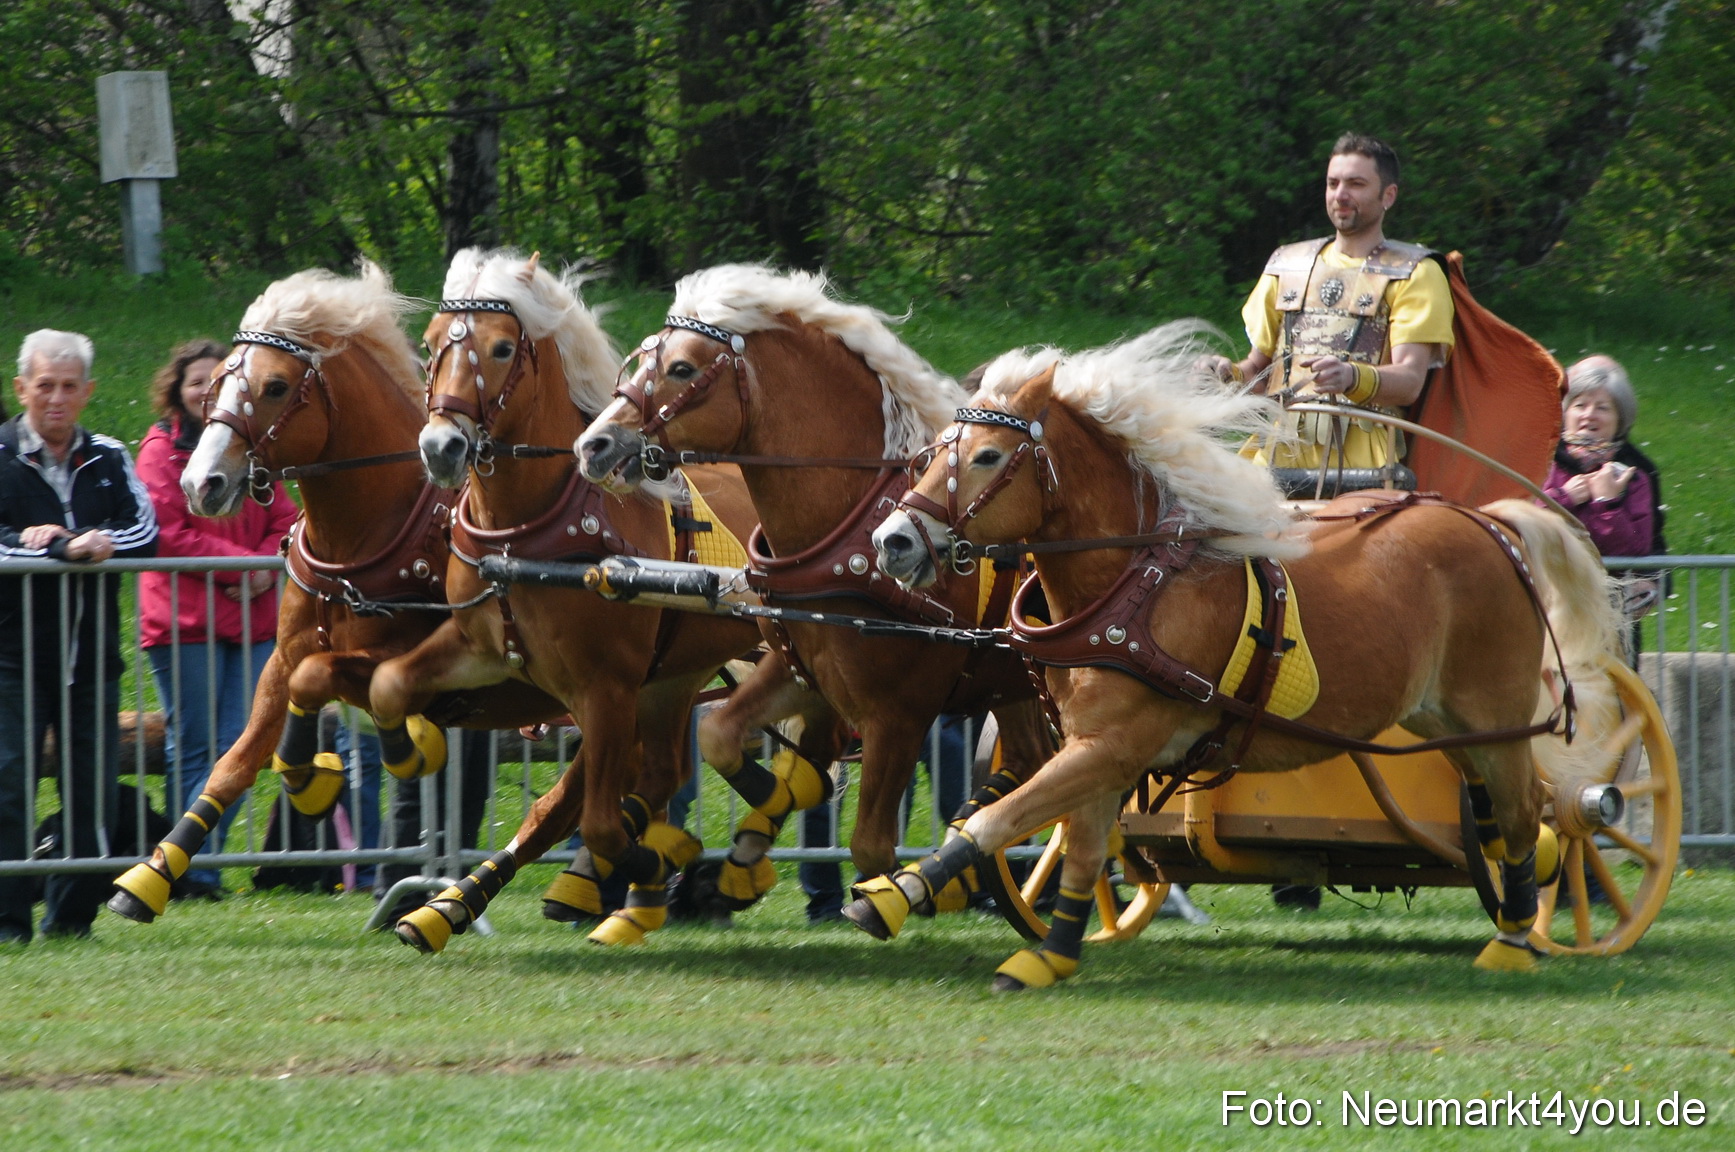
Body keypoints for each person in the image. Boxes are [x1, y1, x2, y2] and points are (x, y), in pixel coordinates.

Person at [0, 329, 158, 942]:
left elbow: (146, 531)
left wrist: (101, 542)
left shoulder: (110, 455)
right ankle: (8, 921)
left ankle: (71, 920)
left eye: (70, 387)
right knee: (7, 785)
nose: (57, 399)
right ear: (22, 389)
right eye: (45, 387)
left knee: (93, 793)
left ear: (89, 391)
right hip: (10, 657)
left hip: (89, 660)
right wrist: (58, 548)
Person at [136, 340, 297, 900]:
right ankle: (187, 873)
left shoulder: (250, 449)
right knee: (197, 745)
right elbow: (167, 532)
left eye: (215, 379)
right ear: (176, 391)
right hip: (185, 624)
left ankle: (190, 862)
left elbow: (287, 519)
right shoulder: (160, 450)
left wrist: (260, 564)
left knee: (238, 742)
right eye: (194, 382)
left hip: (253, 623)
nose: (205, 390)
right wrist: (244, 568)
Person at [1205, 133, 1456, 473]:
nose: (1340, 194)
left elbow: (1410, 382)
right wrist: (1225, 375)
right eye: (1333, 183)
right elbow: (1259, 373)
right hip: (1277, 455)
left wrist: (1351, 376)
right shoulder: (1286, 265)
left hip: (1364, 465)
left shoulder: (1415, 272)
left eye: (1356, 184)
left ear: (1388, 195)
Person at [1543, 355, 1667, 639]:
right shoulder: (1540, 461)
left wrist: (1606, 504)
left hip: (1611, 617)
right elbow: (1523, 523)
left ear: (1619, 418)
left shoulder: (1635, 475)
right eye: (1580, 405)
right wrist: (1563, 498)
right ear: (1565, 412)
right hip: (1546, 606)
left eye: (1603, 408)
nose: (1589, 415)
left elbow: (1635, 551)